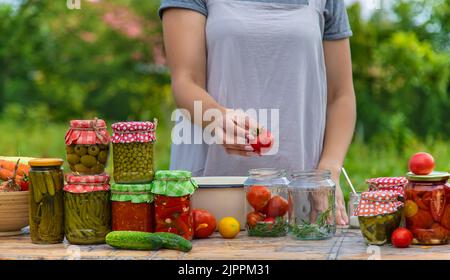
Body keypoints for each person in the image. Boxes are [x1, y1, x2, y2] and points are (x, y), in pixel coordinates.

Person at [159, 0, 356, 225]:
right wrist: (217, 118)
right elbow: (186, 80)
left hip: (301, 199)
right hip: (211, 196)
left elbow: (340, 96)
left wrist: (327, 173)